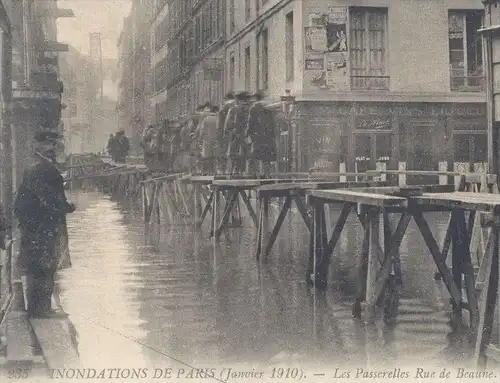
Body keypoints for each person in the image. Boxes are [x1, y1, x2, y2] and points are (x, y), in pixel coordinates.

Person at [14, 130, 76, 318]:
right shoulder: (43, 168)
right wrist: (67, 207)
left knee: (37, 266)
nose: (53, 149)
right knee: (46, 266)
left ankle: (37, 309)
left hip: (34, 226)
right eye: (50, 145)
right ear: (41, 147)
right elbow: (49, 199)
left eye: (53, 145)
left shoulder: (35, 166)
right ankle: (42, 310)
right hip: (44, 227)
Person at [246, 91, 277, 177]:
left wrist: (248, 134)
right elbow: (273, 124)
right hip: (268, 137)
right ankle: (267, 173)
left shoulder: (254, 108)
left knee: (255, 156)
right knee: (266, 157)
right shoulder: (269, 108)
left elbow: (250, 123)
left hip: (257, 136)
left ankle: (255, 174)